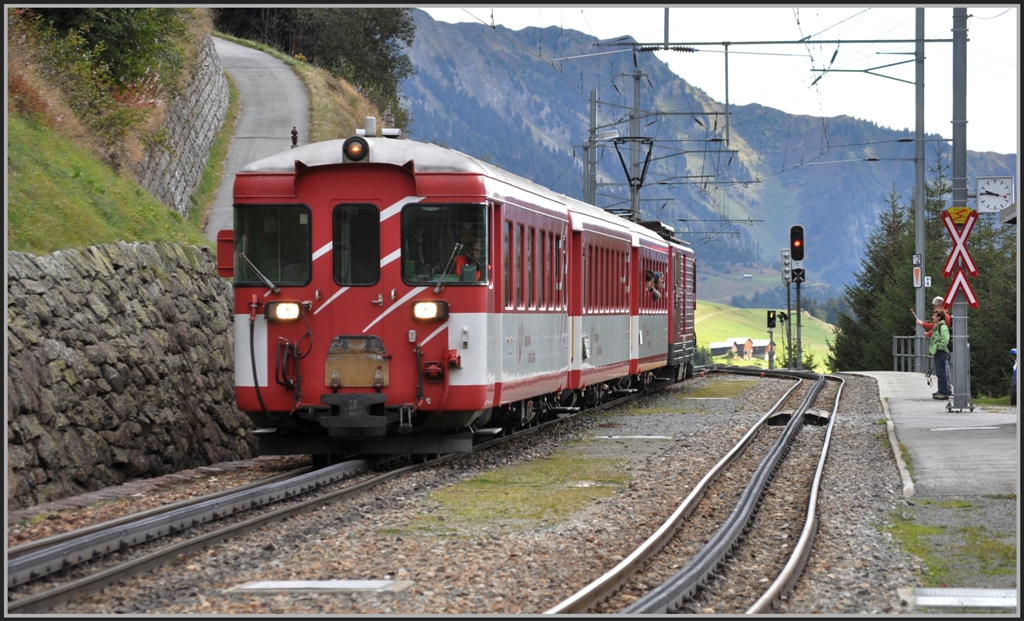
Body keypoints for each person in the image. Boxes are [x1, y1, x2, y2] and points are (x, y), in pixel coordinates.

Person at [928, 309, 951, 400]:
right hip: (938, 352)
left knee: (942, 372)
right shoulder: (937, 326)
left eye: (934, 315)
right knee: (939, 372)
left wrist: (939, 347)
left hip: (941, 352)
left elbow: (945, 339)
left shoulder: (942, 327)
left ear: (939, 317)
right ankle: (941, 390)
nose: (932, 317)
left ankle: (944, 392)